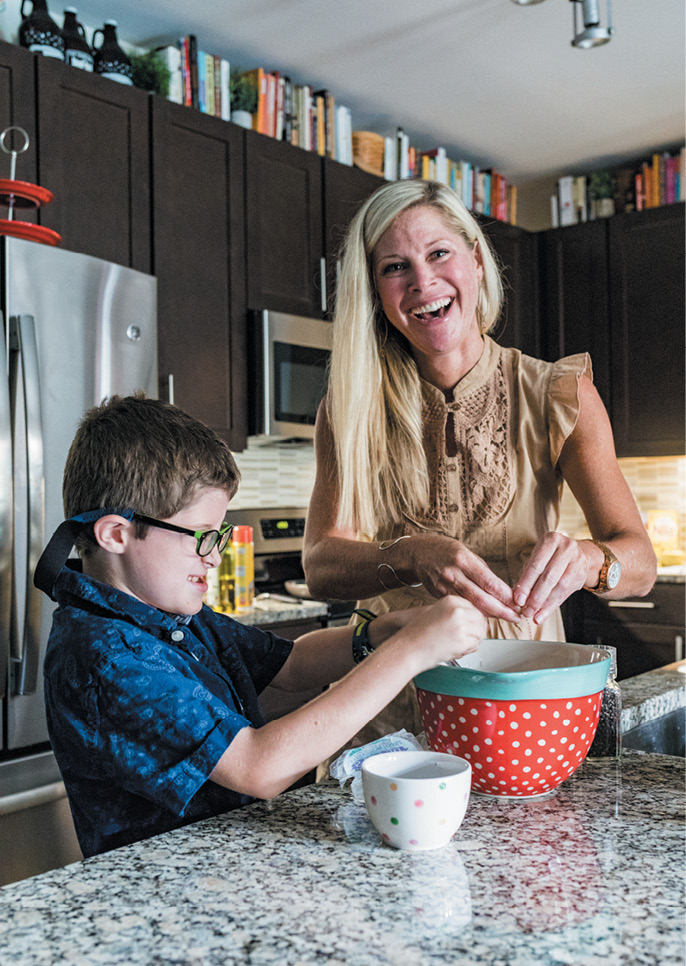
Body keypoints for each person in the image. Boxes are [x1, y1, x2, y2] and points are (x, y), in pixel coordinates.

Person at [36, 394, 486, 858]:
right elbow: (258, 766)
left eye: (220, 535)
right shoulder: (109, 656)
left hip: (225, 871)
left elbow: (289, 666)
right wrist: (410, 651)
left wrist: (378, 634)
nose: (214, 555)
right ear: (116, 534)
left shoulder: (171, 617)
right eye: (202, 536)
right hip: (162, 898)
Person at [303, 179, 656, 744]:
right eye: (396, 267)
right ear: (373, 290)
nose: (424, 282)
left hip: (522, 696)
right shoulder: (349, 410)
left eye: (439, 253)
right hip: (387, 699)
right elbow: (321, 563)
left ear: (474, 260)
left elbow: (639, 562)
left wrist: (590, 560)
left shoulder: (558, 394)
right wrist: (412, 556)